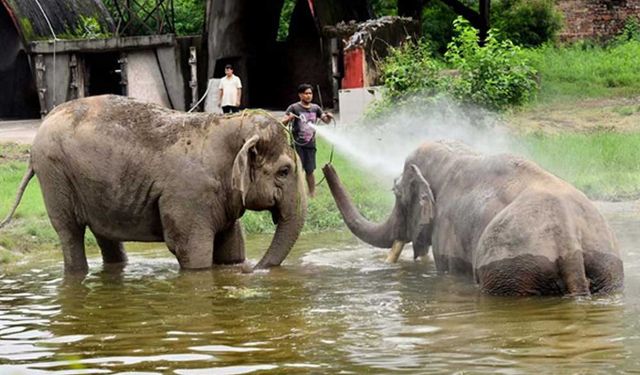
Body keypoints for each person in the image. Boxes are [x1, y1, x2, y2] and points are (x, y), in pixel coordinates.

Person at [281, 83, 333, 197]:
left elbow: (326, 121)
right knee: (297, 170)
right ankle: (297, 194)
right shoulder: (294, 108)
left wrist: (328, 117)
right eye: (306, 93)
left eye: (310, 93)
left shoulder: (316, 108)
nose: (309, 96)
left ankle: (312, 193)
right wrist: (289, 118)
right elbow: (282, 122)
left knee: (310, 170)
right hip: (297, 144)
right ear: (300, 95)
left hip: (310, 144)